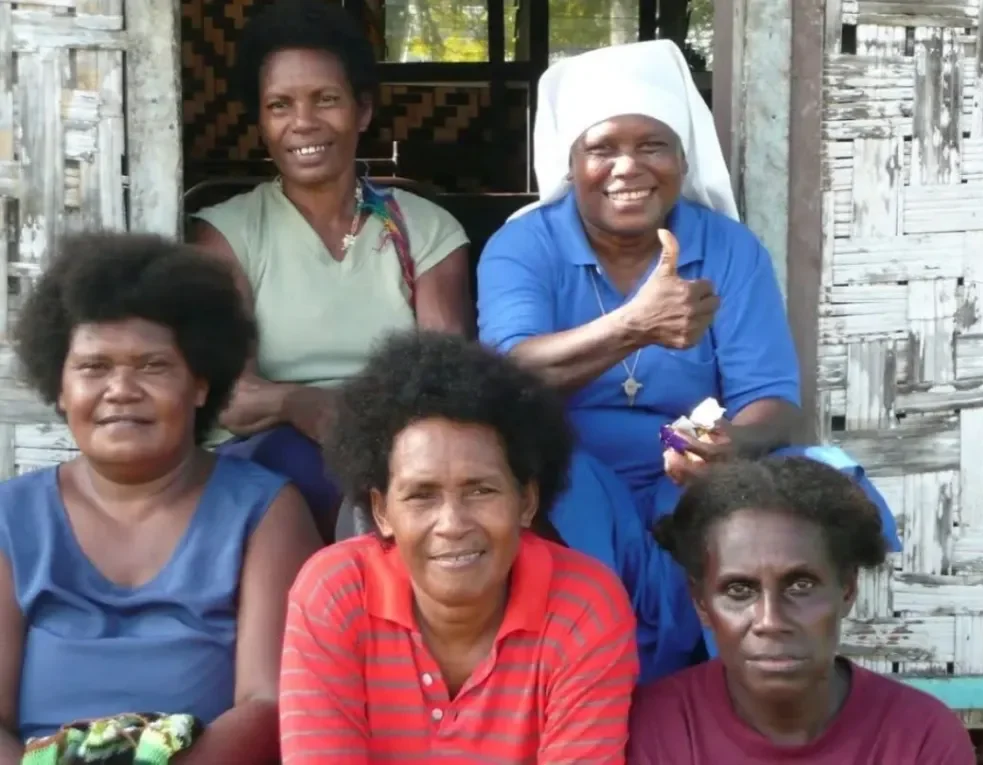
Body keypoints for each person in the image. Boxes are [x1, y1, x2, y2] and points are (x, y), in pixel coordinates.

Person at [476, 39, 902, 683]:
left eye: (653, 145)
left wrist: (733, 445)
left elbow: (773, 400)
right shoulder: (522, 246)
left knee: (822, 478)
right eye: (603, 148)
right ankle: (596, 693)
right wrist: (634, 325)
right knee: (555, 495)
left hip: (698, 471)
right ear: (572, 161)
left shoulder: (727, 248)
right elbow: (505, 378)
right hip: (572, 471)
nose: (628, 167)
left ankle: (764, 693)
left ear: (682, 157)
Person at [0, 233, 322, 763]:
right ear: (59, 387)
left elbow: (272, 705)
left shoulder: (266, 512)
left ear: (200, 384)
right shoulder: (12, 519)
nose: (121, 389)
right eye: (93, 367)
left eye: (152, 366)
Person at [278, 332, 639, 764]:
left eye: (481, 490)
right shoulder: (334, 591)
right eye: (421, 495)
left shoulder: (585, 606)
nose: (452, 524)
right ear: (381, 512)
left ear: (526, 500)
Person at [192, 0, 471, 539]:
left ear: (362, 111)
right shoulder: (227, 235)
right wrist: (303, 404)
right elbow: (230, 397)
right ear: (260, 120)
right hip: (268, 463)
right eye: (279, 105)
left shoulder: (427, 230)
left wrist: (356, 421)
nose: (304, 123)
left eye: (326, 100)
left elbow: (448, 383)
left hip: (399, 450)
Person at [626, 457, 975, 764]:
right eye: (738, 590)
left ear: (847, 588)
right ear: (701, 601)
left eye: (800, 586)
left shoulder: (923, 737)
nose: (770, 621)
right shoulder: (656, 729)